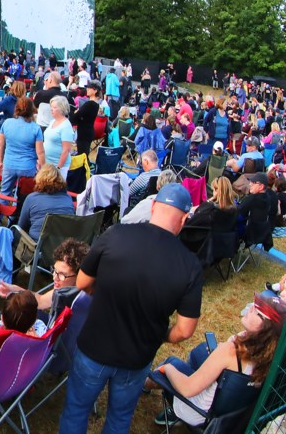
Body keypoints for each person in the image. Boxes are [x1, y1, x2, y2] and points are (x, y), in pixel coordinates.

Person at [59, 183, 203, 434]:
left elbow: (82, 282)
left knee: (76, 409)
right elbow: (185, 330)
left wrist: (99, 292)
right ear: (183, 220)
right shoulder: (190, 265)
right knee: (120, 418)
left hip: (94, 347)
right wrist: (162, 334)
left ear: (155, 206)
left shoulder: (116, 234)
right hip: (137, 357)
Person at [151, 291, 286, 427]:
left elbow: (187, 389)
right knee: (199, 353)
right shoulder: (272, 357)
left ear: (265, 328)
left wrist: (167, 369)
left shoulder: (230, 351)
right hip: (227, 416)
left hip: (199, 413)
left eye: (257, 310)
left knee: (171, 363)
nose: (250, 307)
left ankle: (141, 384)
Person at [0, 238, 90, 316]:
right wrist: (15, 289)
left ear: (80, 276)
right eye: (54, 271)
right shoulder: (64, 289)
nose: (55, 277)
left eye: (62, 275)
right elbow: (41, 301)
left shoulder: (83, 304)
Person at [0, 96, 45, 197]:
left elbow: (1, 145)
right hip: (27, 167)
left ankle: (1, 212)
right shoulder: (36, 128)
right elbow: (40, 152)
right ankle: (17, 211)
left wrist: (0, 161)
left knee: (4, 193)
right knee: (23, 195)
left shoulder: (7, 123)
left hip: (9, 164)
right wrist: (43, 168)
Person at [16, 163, 75, 241]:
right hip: (64, 246)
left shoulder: (32, 198)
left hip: (37, 245)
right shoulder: (67, 198)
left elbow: (21, 226)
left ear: (39, 178)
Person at [43, 96, 75, 179]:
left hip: (58, 166)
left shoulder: (66, 126)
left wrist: (58, 168)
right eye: (51, 107)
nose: (51, 109)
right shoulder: (52, 121)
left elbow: (66, 150)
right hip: (47, 163)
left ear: (61, 109)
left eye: (54, 107)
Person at [70, 81, 102, 155]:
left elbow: (75, 117)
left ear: (95, 91)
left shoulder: (89, 104)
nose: (87, 89)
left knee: (82, 155)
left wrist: (75, 113)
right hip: (88, 131)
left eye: (89, 88)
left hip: (84, 132)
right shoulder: (95, 104)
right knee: (84, 154)